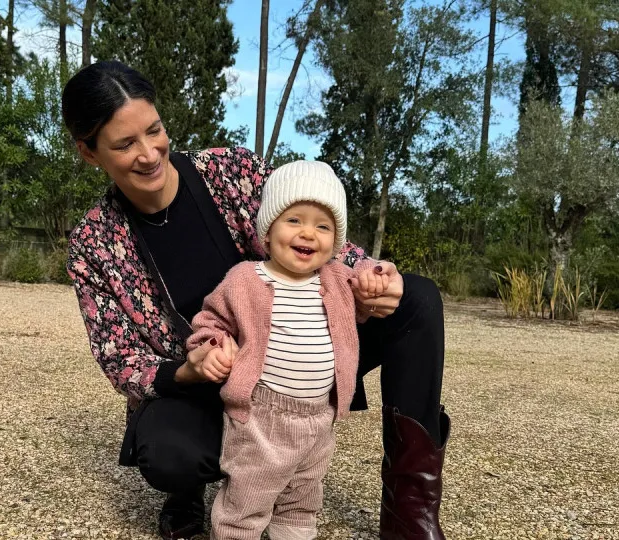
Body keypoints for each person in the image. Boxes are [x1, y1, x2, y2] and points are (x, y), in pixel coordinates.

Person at [62, 60, 450, 540]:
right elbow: (119, 357)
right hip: (209, 380)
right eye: (124, 144)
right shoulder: (94, 243)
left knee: (416, 299)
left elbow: (311, 227)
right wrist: (190, 367)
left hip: (297, 347)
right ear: (88, 152)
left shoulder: (230, 171)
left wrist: (370, 275)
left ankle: (409, 512)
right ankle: (198, 492)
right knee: (169, 454)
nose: (149, 154)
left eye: (154, 130)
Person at [186, 159, 386, 540]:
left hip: (319, 418)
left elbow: (370, 277)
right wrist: (213, 347)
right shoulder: (245, 279)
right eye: (294, 220)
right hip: (261, 417)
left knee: (301, 503)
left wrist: (378, 276)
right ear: (268, 228)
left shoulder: (338, 280)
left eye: (323, 226)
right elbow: (209, 322)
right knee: (247, 501)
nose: (308, 233)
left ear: (336, 241)